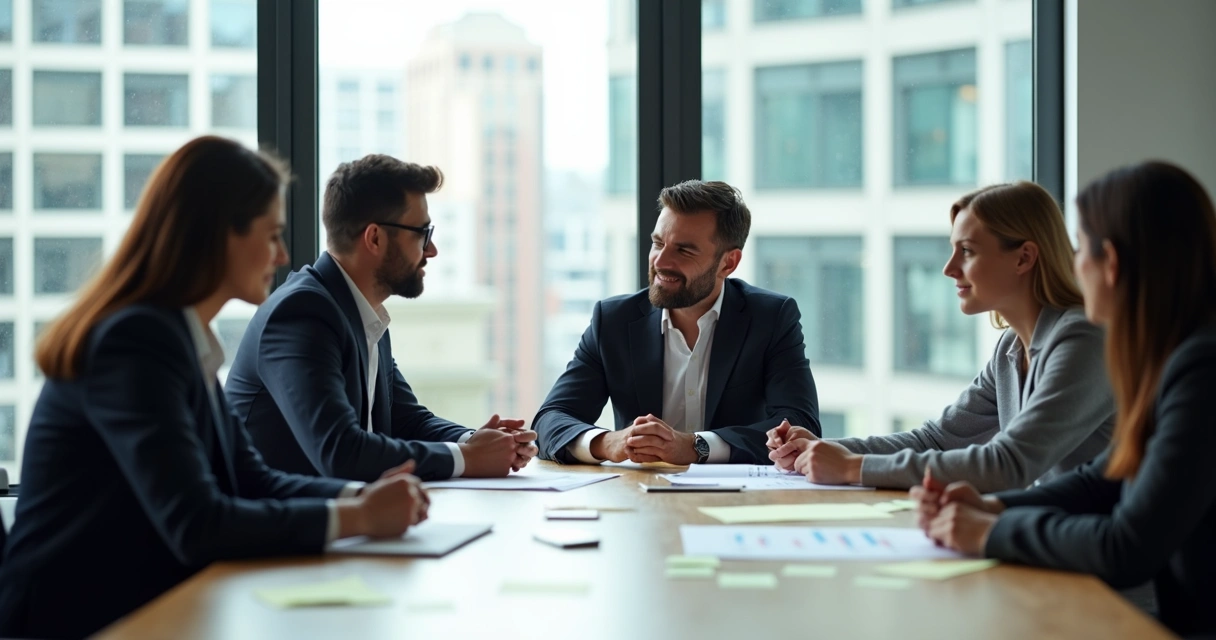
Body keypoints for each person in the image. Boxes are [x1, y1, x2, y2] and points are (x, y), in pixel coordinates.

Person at [0, 137, 429, 639]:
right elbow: (198, 524)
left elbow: (253, 480)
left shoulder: (180, 338)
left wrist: (366, 495)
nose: (283, 254)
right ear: (217, 237)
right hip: (76, 622)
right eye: (271, 235)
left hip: (148, 605)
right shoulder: (134, 342)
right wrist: (356, 517)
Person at [914, 161, 1216, 637]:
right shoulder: (1174, 356)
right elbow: (1107, 479)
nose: (1073, 265)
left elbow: (1127, 546)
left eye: (1081, 250)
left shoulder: (1201, 370)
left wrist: (991, 532)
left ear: (1110, 263)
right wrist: (997, 509)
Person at [767, 181, 1114, 491]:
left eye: (967, 251)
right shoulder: (1011, 346)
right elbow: (939, 439)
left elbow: (1009, 465)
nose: (949, 269)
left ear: (1023, 257)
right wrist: (822, 451)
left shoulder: (1083, 340)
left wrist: (851, 467)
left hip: (1103, 550)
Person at [225, 155, 536, 483]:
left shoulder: (360, 311)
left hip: (341, 520)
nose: (432, 250)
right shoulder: (301, 313)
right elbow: (340, 451)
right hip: (279, 527)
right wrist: (468, 459)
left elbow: (406, 420)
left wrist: (476, 442)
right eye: (422, 233)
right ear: (374, 238)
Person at [535, 180, 820, 465]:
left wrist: (696, 446)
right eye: (658, 243)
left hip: (738, 500)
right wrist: (608, 443)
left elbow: (799, 426)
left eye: (684, 251)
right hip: (639, 498)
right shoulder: (613, 321)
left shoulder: (771, 317)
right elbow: (550, 420)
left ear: (728, 263)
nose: (661, 261)